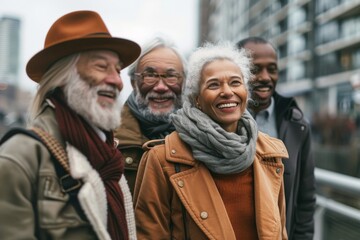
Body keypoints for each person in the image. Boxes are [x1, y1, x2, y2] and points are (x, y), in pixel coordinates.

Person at [0, 10, 141, 239]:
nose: (117, 81)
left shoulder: (108, 154)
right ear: (64, 76)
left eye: (117, 70)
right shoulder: (20, 157)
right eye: (101, 66)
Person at [133, 42, 289, 239]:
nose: (227, 91)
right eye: (214, 84)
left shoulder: (270, 155)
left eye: (235, 82)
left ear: (246, 92)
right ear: (197, 98)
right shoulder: (161, 159)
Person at [237, 36, 316, 240]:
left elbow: (306, 200)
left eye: (271, 69)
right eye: (255, 69)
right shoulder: (220, 121)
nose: (265, 77)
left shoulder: (298, 124)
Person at [113, 36, 186, 194]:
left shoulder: (202, 138)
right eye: (150, 75)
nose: (160, 87)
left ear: (185, 83)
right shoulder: (109, 139)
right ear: (133, 82)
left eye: (171, 76)